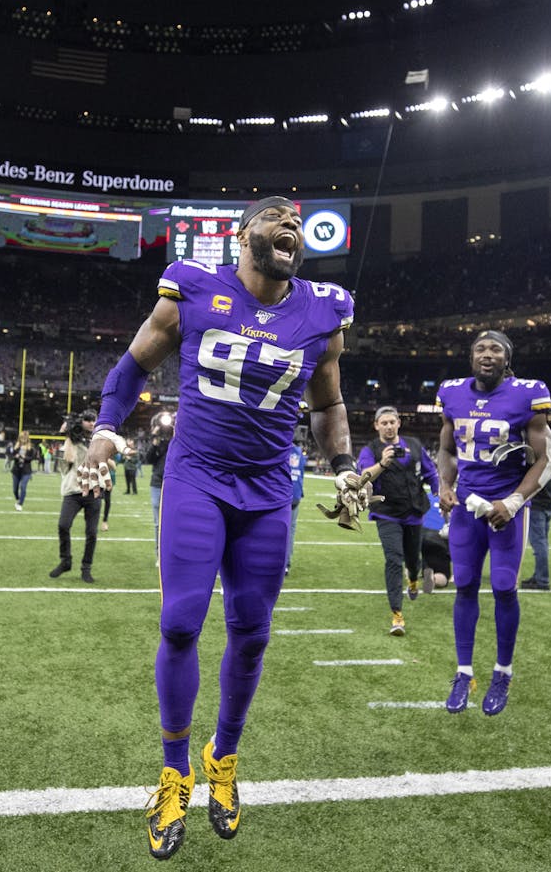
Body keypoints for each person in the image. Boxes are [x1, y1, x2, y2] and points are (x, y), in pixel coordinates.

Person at [80, 195, 363, 860]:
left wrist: (345, 464)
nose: (287, 224)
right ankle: (174, 770)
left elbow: (329, 401)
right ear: (243, 237)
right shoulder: (193, 287)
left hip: (266, 492)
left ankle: (223, 758)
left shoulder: (324, 310)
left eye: (295, 219)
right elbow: (132, 368)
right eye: (273, 218)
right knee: (180, 621)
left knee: (253, 633)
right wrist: (102, 427)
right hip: (197, 477)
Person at [435, 330, 551, 717]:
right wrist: (444, 484)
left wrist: (515, 501)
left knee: (505, 588)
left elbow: (547, 458)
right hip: (468, 507)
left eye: (496, 350)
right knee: (465, 585)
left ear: (507, 359)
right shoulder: (452, 393)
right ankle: (463, 672)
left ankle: (503, 671)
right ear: (471, 357)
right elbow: (446, 448)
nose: (487, 355)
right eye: (480, 349)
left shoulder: (527, 393)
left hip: (506, 508)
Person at [358, 405, 439, 635]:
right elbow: (363, 477)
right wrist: (382, 463)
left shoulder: (413, 445)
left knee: (413, 560)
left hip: (413, 511)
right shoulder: (370, 450)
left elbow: (430, 472)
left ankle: (413, 578)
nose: (388, 426)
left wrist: (439, 494)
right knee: (394, 558)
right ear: (376, 426)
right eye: (383, 423)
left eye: (392, 422)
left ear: (398, 423)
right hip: (386, 513)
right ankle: (397, 615)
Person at [50, 411, 101, 583]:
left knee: (92, 533)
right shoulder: (72, 439)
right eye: (87, 420)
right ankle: (66, 560)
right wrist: (67, 437)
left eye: (93, 420)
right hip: (73, 490)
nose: (91, 423)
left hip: (94, 490)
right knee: (63, 525)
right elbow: (64, 464)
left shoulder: (99, 437)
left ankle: (86, 567)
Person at [146, 411, 174, 564]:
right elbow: (149, 459)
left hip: (175, 483)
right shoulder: (158, 442)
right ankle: (160, 555)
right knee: (159, 523)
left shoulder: (177, 439)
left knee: (176, 520)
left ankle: (174, 553)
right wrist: (154, 439)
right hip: (157, 483)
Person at [519, 474, 551, 591]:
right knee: (543, 542)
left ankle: (542, 580)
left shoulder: (535, 460)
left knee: (539, 544)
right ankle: (538, 575)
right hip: (548, 503)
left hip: (537, 504)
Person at [284, 438, 307, 575]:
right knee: (290, 531)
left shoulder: (280, 449)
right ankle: (286, 563)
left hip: (283, 494)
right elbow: (301, 474)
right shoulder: (298, 452)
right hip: (296, 494)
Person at [9, 430, 38, 511]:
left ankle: (20, 503)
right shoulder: (16, 447)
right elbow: (11, 457)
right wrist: (16, 456)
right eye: (22, 437)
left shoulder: (31, 448)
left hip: (26, 471)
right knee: (15, 490)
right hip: (16, 470)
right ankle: (18, 499)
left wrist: (24, 457)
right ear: (20, 438)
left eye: (25, 437)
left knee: (23, 487)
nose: (23, 439)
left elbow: (32, 458)